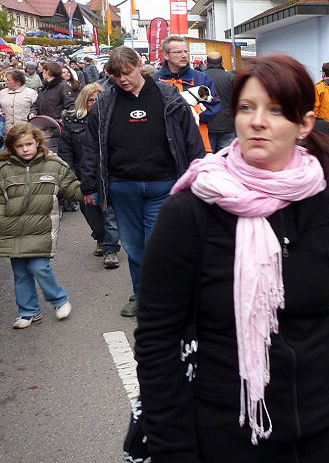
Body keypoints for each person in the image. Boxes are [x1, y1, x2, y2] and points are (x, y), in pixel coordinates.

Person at [134, 54, 329, 463]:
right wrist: (174, 453)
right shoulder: (189, 212)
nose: (258, 121)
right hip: (231, 436)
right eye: (247, 107)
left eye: (276, 110)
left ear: (304, 125)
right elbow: (157, 342)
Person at [81, 46, 205, 318]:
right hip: (123, 187)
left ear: (139, 65)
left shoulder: (169, 96)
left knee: (156, 245)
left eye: (127, 72)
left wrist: (200, 176)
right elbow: (91, 147)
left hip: (164, 185)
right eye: (116, 76)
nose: (123, 79)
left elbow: (190, 138)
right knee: (134, 247)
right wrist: (89, 185)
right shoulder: (104, 103)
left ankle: (161, 296)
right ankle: (140, 295)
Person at [0, 123, 82, 329]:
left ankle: (59, 299)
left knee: (39, 266)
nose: (25, 149)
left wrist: (91, 193)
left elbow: (72, 188)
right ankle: (28, 312)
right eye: (19, 146)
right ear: (12, 147)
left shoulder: (53, 164)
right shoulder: (4, 170)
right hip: (12, 231)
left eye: (29, 144)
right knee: (20, 274)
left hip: (41, 229)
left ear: (37, 142)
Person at [58, 83, 121, 269]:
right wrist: (71, 175)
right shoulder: (71, 120)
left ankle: (111, 248)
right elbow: (65, 150)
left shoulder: (111, 118)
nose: (94, 103)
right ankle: (101, 238)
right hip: (82, 175)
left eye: (97, 99)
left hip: (108, 174)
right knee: (92, 215)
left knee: (110, 213)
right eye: (90, 100)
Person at [153, 35, 220, 153]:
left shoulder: (201, 78)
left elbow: (214, 106)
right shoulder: (155, 80)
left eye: (185, 51)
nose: (184, 55)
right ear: (166, 55)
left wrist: (190, 117)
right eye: (178, 52)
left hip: (198, 143)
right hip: (165, 145)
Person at [32, 61, 75, 153]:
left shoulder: (63, 87)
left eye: (43, 71)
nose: (42, 73)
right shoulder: (43, 88)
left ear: (48, 72)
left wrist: (62, 120)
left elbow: (72, 106)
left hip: (57, 130)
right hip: (42, 128)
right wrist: (33, 113)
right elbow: (35, 105)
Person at [200, 51, 236, 152]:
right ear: (222, 63)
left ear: (206, 63)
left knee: (208, 158)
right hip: (227, 123)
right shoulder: (231, 78)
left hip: (206, 123)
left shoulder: (200, 77)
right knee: (226, 157)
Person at [0, 69, 38, 135]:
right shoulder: (2, 92)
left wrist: (33, 113)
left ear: (18, 81)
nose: (6, 82)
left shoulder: (31, 93)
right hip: (6, 131)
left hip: (25, 131)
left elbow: (36, 108)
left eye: (9, 80)